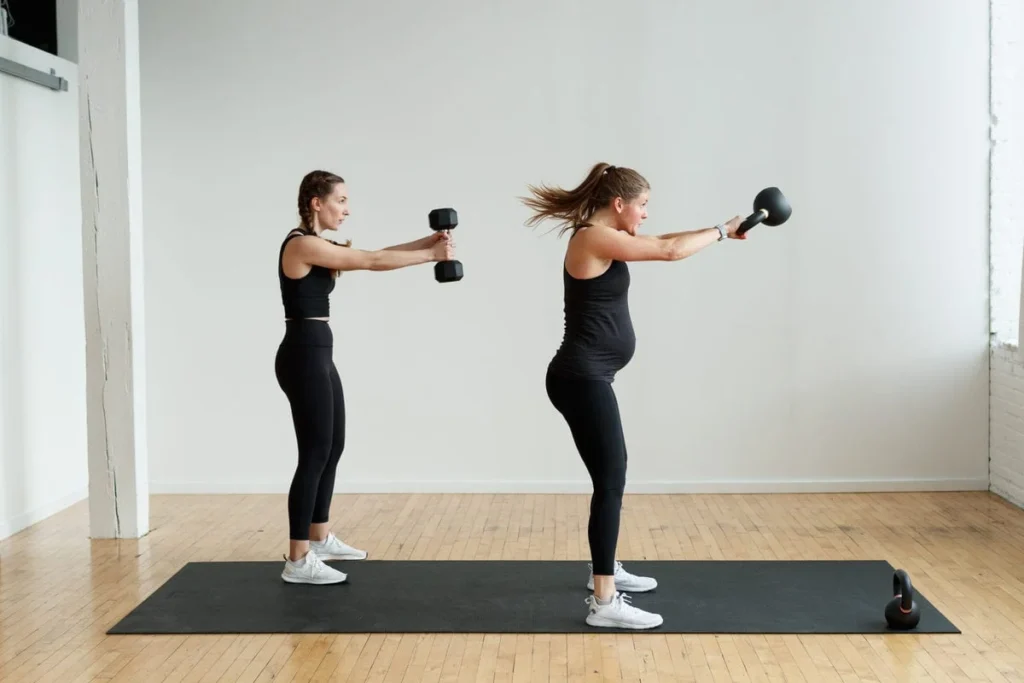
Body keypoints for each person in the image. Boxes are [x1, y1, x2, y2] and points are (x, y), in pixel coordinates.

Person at [520, 162, 746, 629]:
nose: (645, 214)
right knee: (612, 478)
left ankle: (603, 571)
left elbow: (662, 239)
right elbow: (666, 250)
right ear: (619, 204)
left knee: (611, 477)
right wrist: (722, 231)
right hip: (580, 378)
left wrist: (720, 229)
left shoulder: (607, 236)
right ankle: (604, 602)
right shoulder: (590, 237)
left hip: (589, 376)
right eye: (642, 205)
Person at [277, 169, 454, 585]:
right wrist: (430, 257)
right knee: (314, 451)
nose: (347, 209)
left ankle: (318, 537)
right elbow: (372, 262)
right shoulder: (301, 244)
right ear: (317, 203)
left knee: (332, 445)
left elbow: (375, 252)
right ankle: (297, 559)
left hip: (318, 353)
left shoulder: (317, 244)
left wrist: (426, 243)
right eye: (341, 200)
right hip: (303, 355)